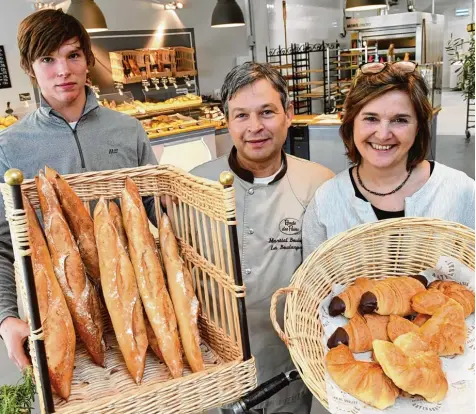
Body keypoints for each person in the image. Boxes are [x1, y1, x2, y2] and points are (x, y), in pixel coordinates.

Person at [0, 9, 157, 371]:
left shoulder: (127, 130)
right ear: (29, 67)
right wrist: (7, 317)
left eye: (73, 55)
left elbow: (152, 211)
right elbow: (2, 243)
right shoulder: (10, 147)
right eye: (47, 59)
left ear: (87, 59)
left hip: (138, 308)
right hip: (63, 323)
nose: (63, 70)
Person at [191, 62, 334, 413]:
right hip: (214, 374)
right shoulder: (194, 185)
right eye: (241, 115)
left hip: (287, 369)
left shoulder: (320, 183)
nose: (254, 127)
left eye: (267, 112)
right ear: (227, 122)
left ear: (288, 113)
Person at [303, 61, 475, 259]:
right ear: (351, 123)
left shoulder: (461, 193)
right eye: (371, 118)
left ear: (418, 127)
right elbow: (312, 284)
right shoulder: (327, 202)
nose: (383, 134)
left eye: (400, 120)